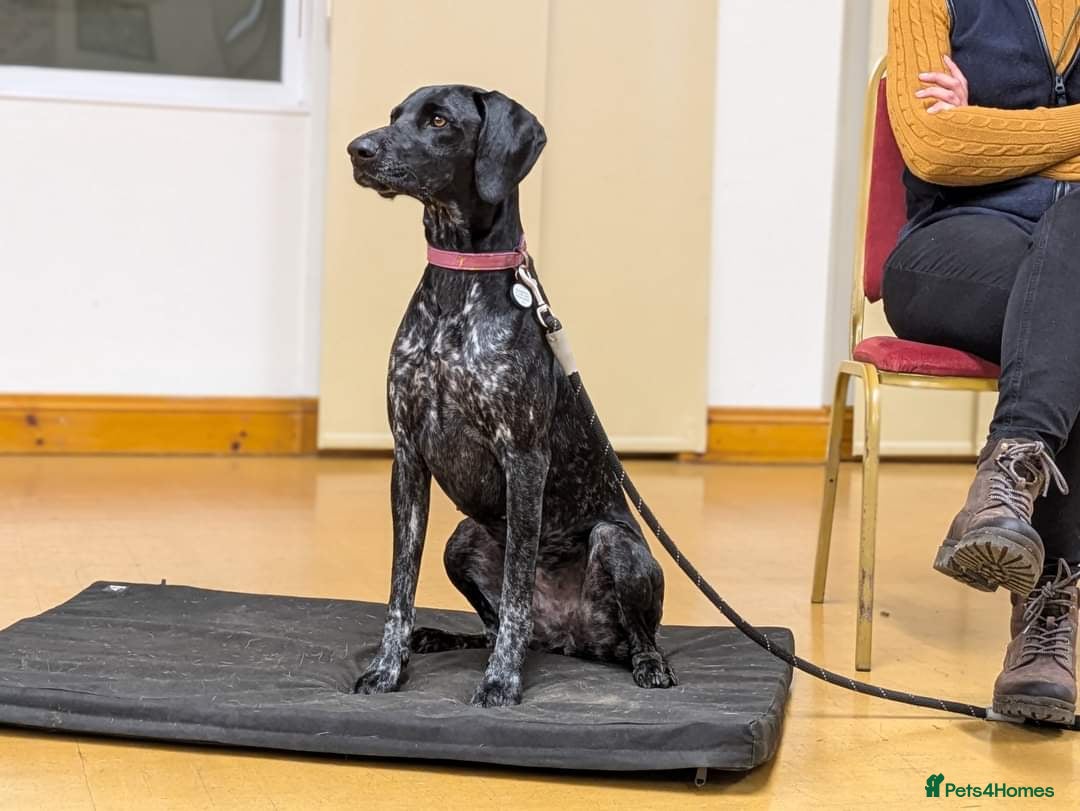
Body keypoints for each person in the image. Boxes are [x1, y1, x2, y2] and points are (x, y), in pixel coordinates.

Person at [885, 0, 1080, 725]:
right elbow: (934, 149)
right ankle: (1047, 615)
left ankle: (1008, 480)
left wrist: (988, 126)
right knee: (1070, 315)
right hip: (956, 241)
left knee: (1071, 286)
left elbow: (964, 139)